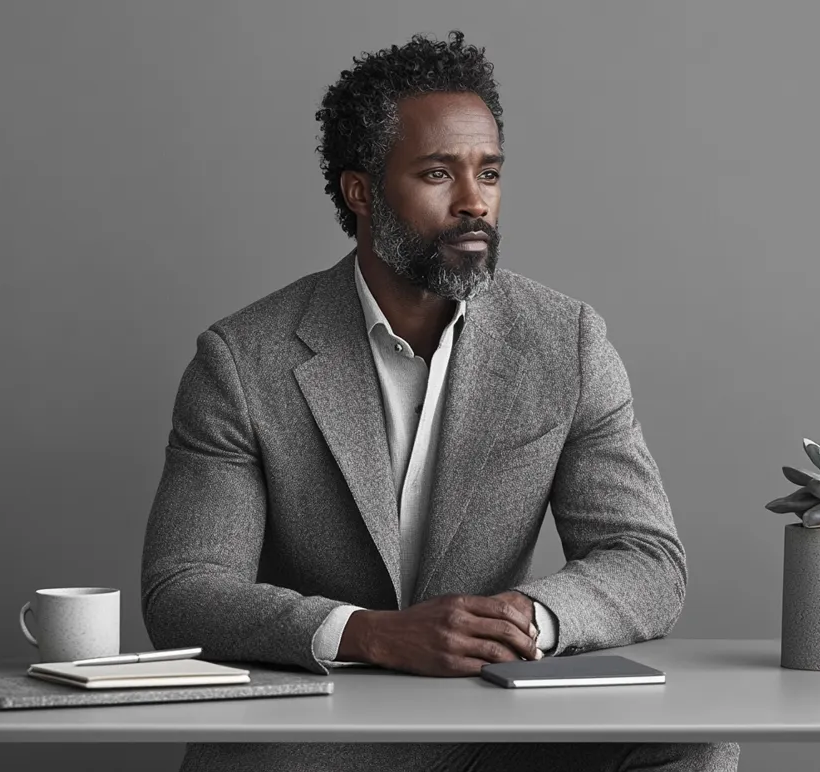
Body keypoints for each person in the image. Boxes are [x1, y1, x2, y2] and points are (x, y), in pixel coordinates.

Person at [141, 29, 740, 772]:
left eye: (488, 174)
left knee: (691, 744)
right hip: (322, 722)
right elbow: (184, 589)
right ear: (362, 192)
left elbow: (647, 560)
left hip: (499, 715)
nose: (473, 203)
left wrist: (530, 618)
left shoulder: (567, 341)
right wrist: (370, 633)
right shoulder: (242, 360)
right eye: (436, 174)